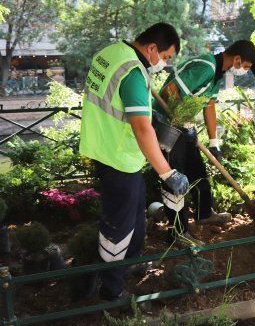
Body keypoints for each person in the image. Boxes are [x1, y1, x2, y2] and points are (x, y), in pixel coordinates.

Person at [79, 22, 189, 301]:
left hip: (107, 148)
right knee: (119, 226)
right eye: (165, 57)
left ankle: (131, 261)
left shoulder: (111, 53)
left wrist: (157, 120)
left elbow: (123, 106)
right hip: (118, 158)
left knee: (137, 210)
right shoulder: (133, 72)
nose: (164, 64)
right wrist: (167, 173)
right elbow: (141, 127)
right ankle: (112, 289)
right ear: (151, 48)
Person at [154, 40, 255, 246]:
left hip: (184, 125)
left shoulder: (218, 74)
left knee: (198, 171)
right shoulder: (206, 67)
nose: (244, 71)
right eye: (245, 66)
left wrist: (214, 141)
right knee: (175, 177)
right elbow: (170, 90)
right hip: (168, 124)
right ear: (237, 59)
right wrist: (180, 116)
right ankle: (177, 232)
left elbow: (209, 105)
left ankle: (204, 214)